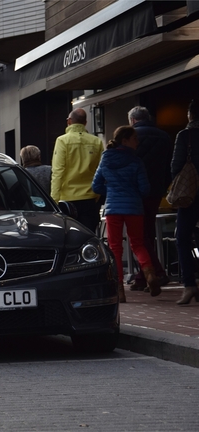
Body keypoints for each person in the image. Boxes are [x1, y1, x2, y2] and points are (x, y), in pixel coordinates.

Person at [92, 125, 161, 302]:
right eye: (134, 138)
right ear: (125, 140)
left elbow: (96, 186)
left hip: (113, 208)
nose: (137, 142)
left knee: (115, 248)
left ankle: (119, 290)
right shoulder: (136, 161)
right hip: (134, 208)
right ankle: (150, 274)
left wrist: (112, 190)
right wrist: (132, 192)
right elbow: (145, 189)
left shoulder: (106, 159)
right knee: (138, 244)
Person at [128, 106, 173, 292]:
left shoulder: (129, 137)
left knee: (138, 236)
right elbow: (171, 166)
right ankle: (143, 276)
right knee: (147, 234)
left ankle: (157, 273)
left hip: (134, 193)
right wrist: (163, 186)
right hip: (155, 192)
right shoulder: (164, 136)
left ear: (132, 120)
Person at [51, 108, 105, 232]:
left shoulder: (62, 141)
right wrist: (97, 195)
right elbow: (101, 170)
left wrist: (54, 199)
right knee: (88, 235)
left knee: (70, 237)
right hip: (90, 197)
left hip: (68, 199)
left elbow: (58, 172)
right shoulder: (96, 141)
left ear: (69, 121)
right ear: (85, 123)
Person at [171, 99, 199, 305]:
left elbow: (176, 166)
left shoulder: (185, 135)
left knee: (182, 238)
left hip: (190, 195)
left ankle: (189, 286)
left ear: (190, 114)